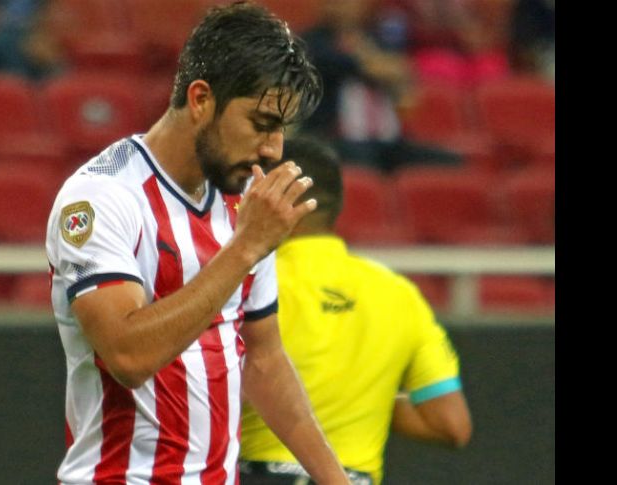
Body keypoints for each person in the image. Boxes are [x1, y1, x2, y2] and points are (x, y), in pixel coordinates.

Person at [45, 3, 352, 484]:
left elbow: (264, 360)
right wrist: (244, 249)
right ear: (201, 98)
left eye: (281, 130)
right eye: (261, 123)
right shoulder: (101, 197)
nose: (273, 149)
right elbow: (128, 357)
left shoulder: (245, 201)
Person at [239, 136, 472, 485]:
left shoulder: (247, 280)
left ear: (269, 197)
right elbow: (450, 424)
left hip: (257, 475)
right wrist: (363, 395)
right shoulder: (401, 293)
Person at [297, 0, 462, 173]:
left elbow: (403, 69)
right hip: (338, 137)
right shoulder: (312, 41)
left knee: (449, 162)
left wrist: (381, 64)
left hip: (389, 139)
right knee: (361, 163)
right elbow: (358, 66)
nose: (344, 7)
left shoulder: (375, 36)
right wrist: (378, 64)